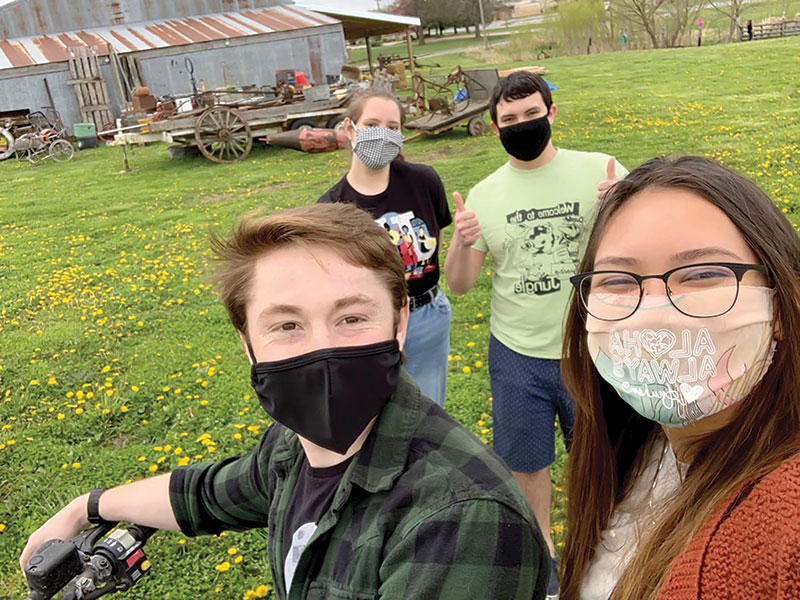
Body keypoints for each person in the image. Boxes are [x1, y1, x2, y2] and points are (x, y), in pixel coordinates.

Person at [20, 203, 550, 600]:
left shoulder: (459, 523)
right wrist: (85, 507)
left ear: (400, 323)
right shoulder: (295, 448)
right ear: (248, 345)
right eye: (287, 325)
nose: (322, 348)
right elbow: (206, 495)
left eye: (351, 317)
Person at [559, 156, 800, 600]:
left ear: (780, 304)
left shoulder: (787, 520)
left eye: (704, 274)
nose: (654, 311)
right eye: (618, 280)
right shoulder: (629, 448)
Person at [444, 70, 627, 599]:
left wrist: (622, 201)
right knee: (527, 466)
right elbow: (460, 283)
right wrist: (462, 240)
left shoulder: (602, 171)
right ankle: (543, 556)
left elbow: (645, 243)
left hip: (592, 348)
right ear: (495, 127)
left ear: (550, 114)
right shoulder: (485, 194)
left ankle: (607, 548)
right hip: (517, 354)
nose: (521, 125)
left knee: (604, 459)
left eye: (531, 115)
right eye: (509, 120)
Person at [318, 88, 453, 408]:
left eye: (393, 127)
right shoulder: (331, 207)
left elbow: (436, 241)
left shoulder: (424, 181)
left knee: (428, 411)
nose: (384, 133)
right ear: (349, 129)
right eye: (373, 123)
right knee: (373, 412)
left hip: (426, 316)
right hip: (368, 326)